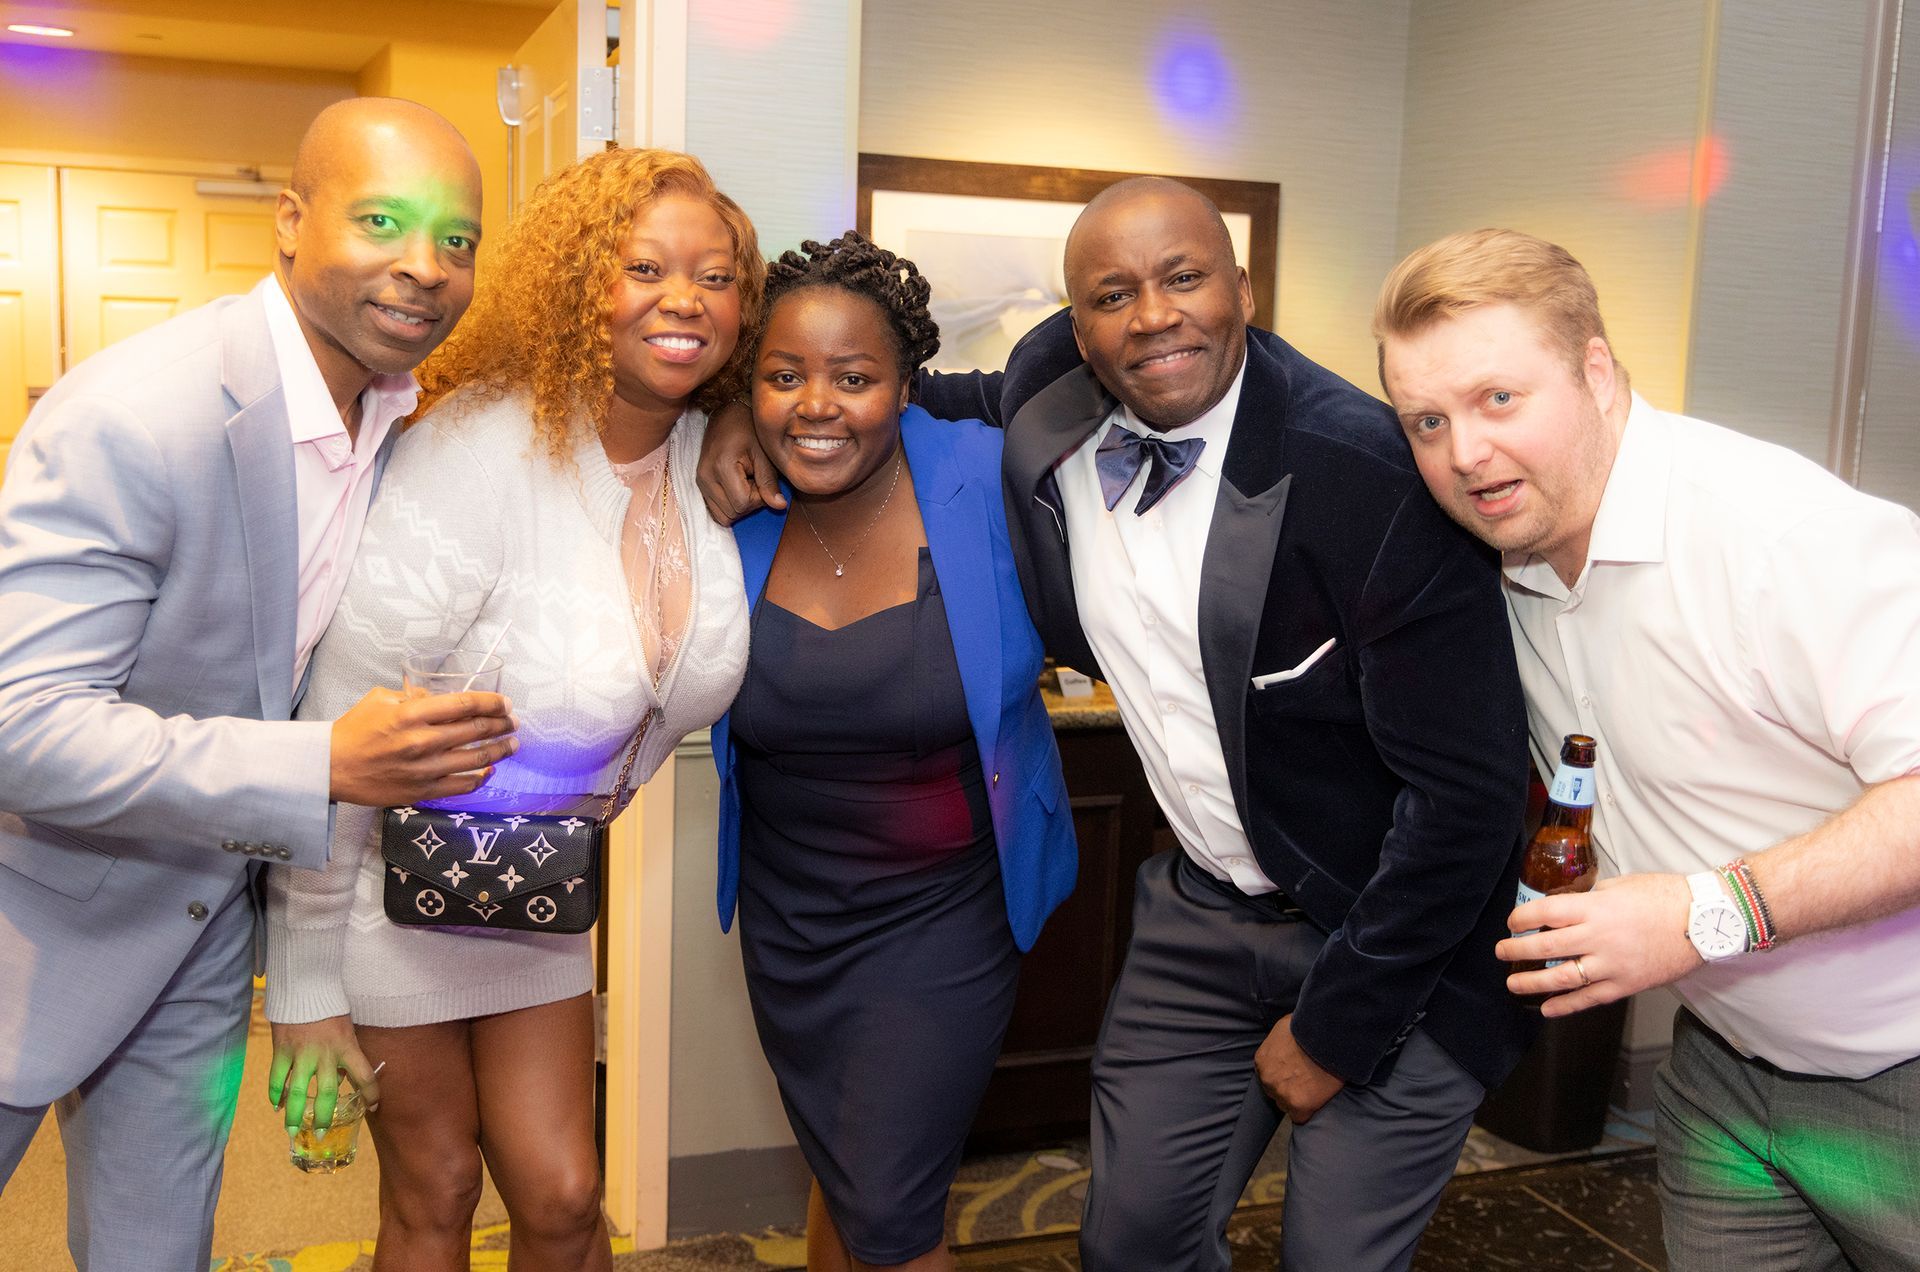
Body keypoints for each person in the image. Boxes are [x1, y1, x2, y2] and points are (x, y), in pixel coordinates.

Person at [702, 179, 1535, 1272]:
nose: (1151, 316)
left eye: (1184, 277)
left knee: (1332, 1256)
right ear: (1075, 329)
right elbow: (871, 386)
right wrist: (725, 406)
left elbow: (1469, 801)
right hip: (1199, 916)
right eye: (1112, 295)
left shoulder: (1372, 475)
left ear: (1243, 286)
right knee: (1130, 1243)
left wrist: (1340, 1024)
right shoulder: (1049, 409)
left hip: (1392, 927)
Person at [0, 98, 511, 1270]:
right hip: (28, 919)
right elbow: (20, 727)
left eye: (458, 239)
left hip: (194, 924)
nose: (424, 268)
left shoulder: (394, 417)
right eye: (383, 219)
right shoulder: (140, 415)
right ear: (289, 220)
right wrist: (323, 765)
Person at [1375, 227, 1920, 1271]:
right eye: (1427, 421)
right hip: (1727, 1068)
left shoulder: (1778, 535)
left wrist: (1707, 912)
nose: (1464, 454)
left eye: (1500, 400)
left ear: (1595, 369)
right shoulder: (1503, 561)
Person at [263, 148, 760, 1272]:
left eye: (717, 277)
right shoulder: (479, 451)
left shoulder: (711, 457)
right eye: (644, 267)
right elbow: (334, 735)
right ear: (583, 283)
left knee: (565, 1197)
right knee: (435, 1192)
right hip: (389, 892)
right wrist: (302, 985)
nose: (685, 299)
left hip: (534, 890)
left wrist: (740, 420)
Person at [711, 232, 1075, 1272]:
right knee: (849, 1172)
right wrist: (729, 408)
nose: (816, 404)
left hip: (945, 912)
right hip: (791, 918)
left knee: (891, 1214)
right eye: (783, 376)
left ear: (907, 383)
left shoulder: (985, 469)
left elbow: (1099, 363)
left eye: (855, 377)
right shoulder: (728, 498)